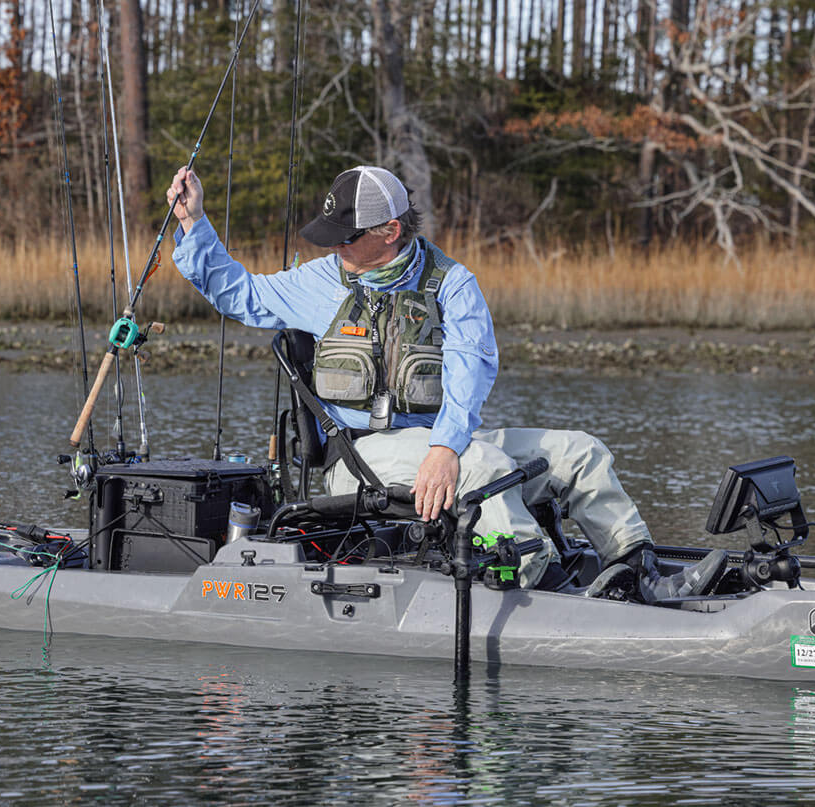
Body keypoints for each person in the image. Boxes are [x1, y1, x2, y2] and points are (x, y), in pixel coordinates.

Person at [167, 164, 727, 601]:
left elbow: (471, 371)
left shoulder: (453, 285)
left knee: (581, 452)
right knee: (485, 471)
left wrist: (443, 446)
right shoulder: (320, 281)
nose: (334, 248)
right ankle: (545, 587)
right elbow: (237, 293)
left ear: (389, 230)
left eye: (346, 236)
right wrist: (193, 222)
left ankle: (639, 571)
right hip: (358, 463)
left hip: (437, 448)